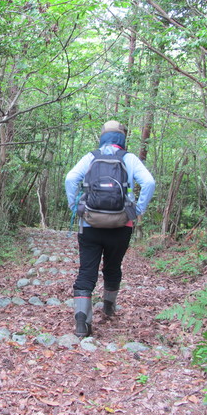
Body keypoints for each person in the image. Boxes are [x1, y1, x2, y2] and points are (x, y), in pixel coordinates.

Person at [65, 120, 155, 338]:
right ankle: (108, 307)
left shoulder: (91, 157)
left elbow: (70, 178)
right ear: (123, 137)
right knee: (113, 266)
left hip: (90, 224)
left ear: (103, 136)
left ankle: (82, 320)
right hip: (121, 224)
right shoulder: (129, 159)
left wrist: (75, 206)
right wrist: (138, 209)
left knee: (87, 270)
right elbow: (149, 183)